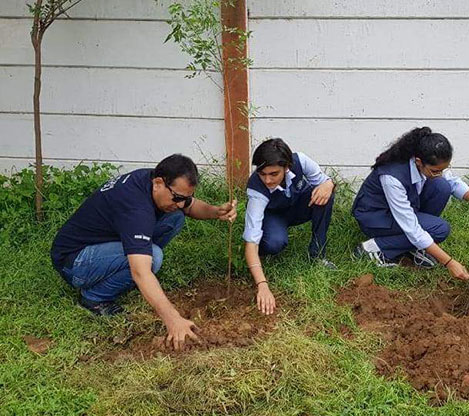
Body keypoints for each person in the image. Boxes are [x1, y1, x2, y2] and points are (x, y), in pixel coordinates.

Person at [50, 154, 238, 349]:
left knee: (175, 217)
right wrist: (173, 320)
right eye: (177, 198)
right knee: (152, 258)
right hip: (75, 262)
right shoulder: (136, 209)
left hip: (103, 243)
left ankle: (134, 264)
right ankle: (94, 297)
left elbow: (190, 208)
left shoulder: (152, 179)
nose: (182, 203)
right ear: (158, 183)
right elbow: (140, 272)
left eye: (185, 198)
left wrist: (216, 211)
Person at [352, 126, 469, 279]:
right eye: (435, 171)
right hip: (376, 218)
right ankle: (373, 248)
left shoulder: (427, 160)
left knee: (441, 186)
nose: (440, 173)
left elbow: (452, 182)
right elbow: (411, 227)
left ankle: (413, 247)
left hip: (399, 213)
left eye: (443, 169)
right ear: (419, 162)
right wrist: (449, 262)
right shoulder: (392, 177)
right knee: (439, 229)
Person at [243, 138, 336, 315]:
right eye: (262, 174)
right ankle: (263, 253)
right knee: (275, 243)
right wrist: (262, 285)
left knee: (325, 195)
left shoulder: (300, 161)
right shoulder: (256, 190)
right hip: (273, 215)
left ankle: (318, 256)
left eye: (273, 174)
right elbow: (250, 242)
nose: (267, 180)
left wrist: (329, 184)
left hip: (297, 207)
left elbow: (325, 182)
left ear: (287, 167)